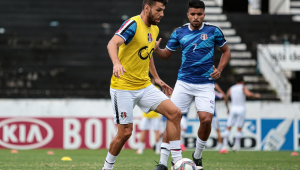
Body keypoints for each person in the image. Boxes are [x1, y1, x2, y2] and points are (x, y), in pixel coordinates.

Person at [103, 0, 183, 170]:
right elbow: (112, 43)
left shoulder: (155, 28)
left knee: (174, 113)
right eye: (158, 10)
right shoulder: (133, 24)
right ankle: (107, 168)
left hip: (145, 86)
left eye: (163, 10)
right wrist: (116, 63)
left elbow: (149, 54)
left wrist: (157, 78)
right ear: (147, 8)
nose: (162, 14)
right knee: (125, 133)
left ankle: (176, 162)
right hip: (123, 87)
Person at [154, 0, 231, 169]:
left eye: (199, 14)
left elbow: (226, 52)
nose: (196, 17)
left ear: (204, 14)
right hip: (184, 83)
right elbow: (166, 54)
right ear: (188, 14)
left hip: (205, 84)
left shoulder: (213, 31)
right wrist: (156, 50)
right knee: (172, 117)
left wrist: (219, 69)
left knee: (206, 120)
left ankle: (197, 155)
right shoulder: (179, 32)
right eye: (193, 14)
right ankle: (162, 163)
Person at [219, 76, 261, 154]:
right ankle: (235, 146)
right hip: (241, 109)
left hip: (233, 108)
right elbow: (248, 94)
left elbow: (226, 97)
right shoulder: (243, 87)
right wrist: (255, 95)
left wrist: (227, 108)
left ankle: (224, 146)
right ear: (242, 81)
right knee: (239, 128)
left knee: (228, 127)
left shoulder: (231, 88)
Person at [213, 83, 229, 150]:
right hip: (212, 115)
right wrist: (218, 88)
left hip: (203, 115)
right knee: (218, 130)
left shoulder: (201, 91)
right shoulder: (212, 92)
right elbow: (223, 96)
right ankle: (222, 147)